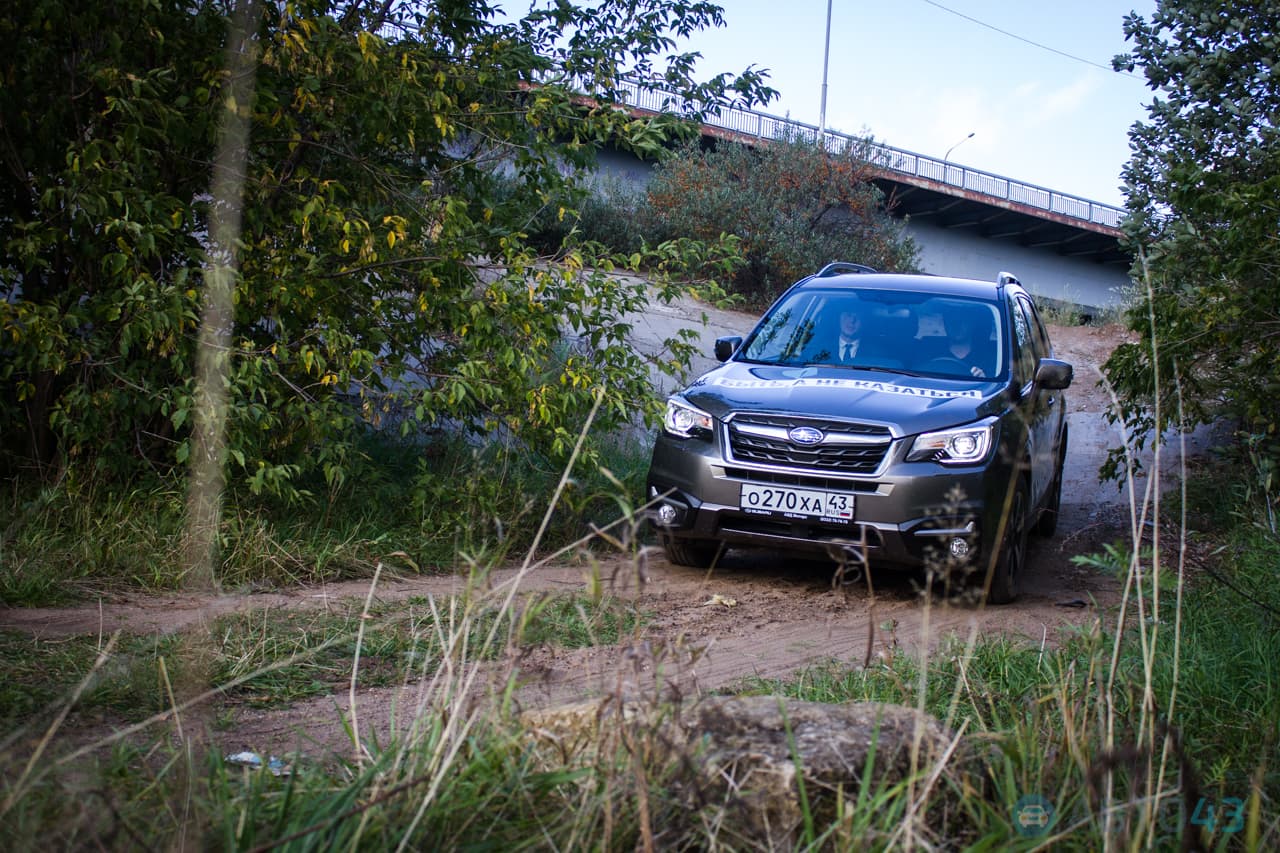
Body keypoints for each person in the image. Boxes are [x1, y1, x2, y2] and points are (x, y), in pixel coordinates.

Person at [943, 309, 992, 377]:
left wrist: (983, 379)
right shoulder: (931, 350)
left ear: (972, 324)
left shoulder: (990, 357)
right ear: (945, 324)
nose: (957, 326)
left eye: (962, 321)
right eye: (952, 321)